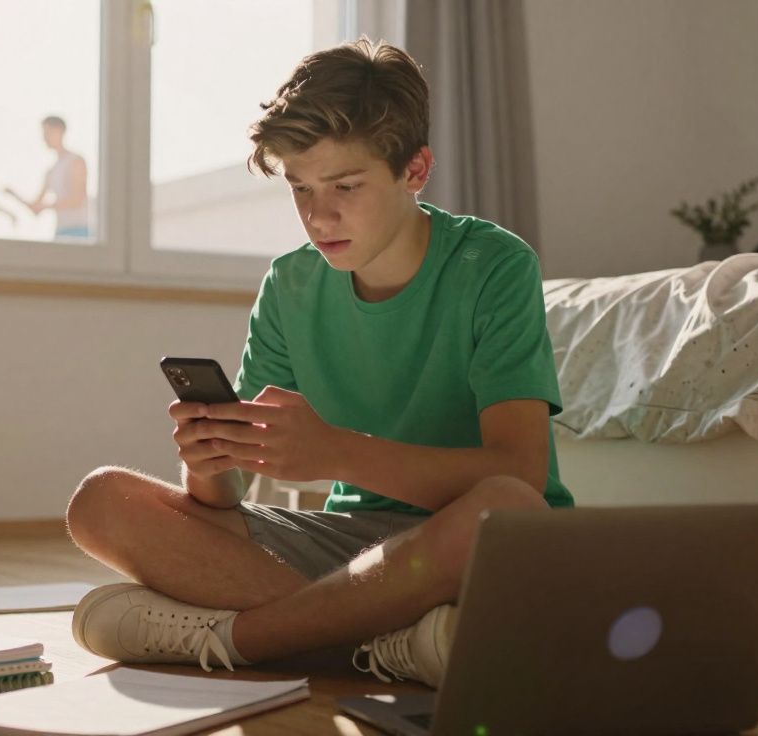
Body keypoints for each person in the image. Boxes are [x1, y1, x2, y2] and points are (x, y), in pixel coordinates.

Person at [64, 38, 573, 688]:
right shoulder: (291, 284)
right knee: (103, 501)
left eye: (345, 186)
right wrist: (207, 459)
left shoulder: (495, 266)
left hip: (471, 540)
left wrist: (337, 454)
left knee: (504, 510)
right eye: (300, 188)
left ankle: (242, 639)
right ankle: (389, 644)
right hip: (355, 547)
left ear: (415, 171)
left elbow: (520, 474)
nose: (317, 214)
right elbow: (225, 502)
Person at [4, 115, 90, 237]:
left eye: (48, 132)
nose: (44, 138)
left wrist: (46, 206)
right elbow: (36, 208)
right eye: (44, 133)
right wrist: (14, 195)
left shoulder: (76, 161)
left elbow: (77, 199)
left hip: (79, 230)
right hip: (60, 232)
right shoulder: (51, 171)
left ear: (60, 131)